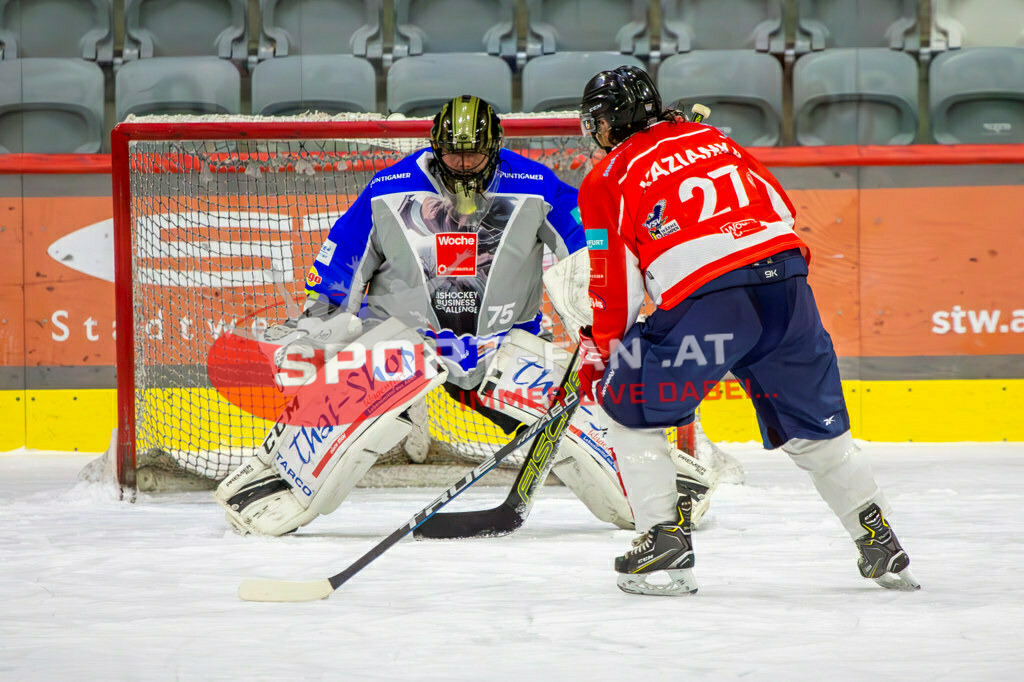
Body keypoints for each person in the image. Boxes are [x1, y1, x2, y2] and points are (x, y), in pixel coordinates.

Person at [214, 95, 718, 537]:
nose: (461, 165)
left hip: (502, 347)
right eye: (451, 153)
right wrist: (324, 317)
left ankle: (665, 488)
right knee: (344, 411)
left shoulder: (533, 183)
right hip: (407, 346)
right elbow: (344, 259)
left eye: (472, 153)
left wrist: (590, 285)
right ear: (435, 144)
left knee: (579, 426)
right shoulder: (388, 187)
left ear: (494, 147)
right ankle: (273, 478)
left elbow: (585, 237)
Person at [575, 66, 919, 595]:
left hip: (712, 303)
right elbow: (781, 208)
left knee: (629, 411)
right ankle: (878, 539)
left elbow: (614, 281)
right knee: (815, 430)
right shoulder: (712, 137)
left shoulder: (606, 177)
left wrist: (605, 350)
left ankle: (663, 545)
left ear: (606, 123)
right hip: (787, 290)